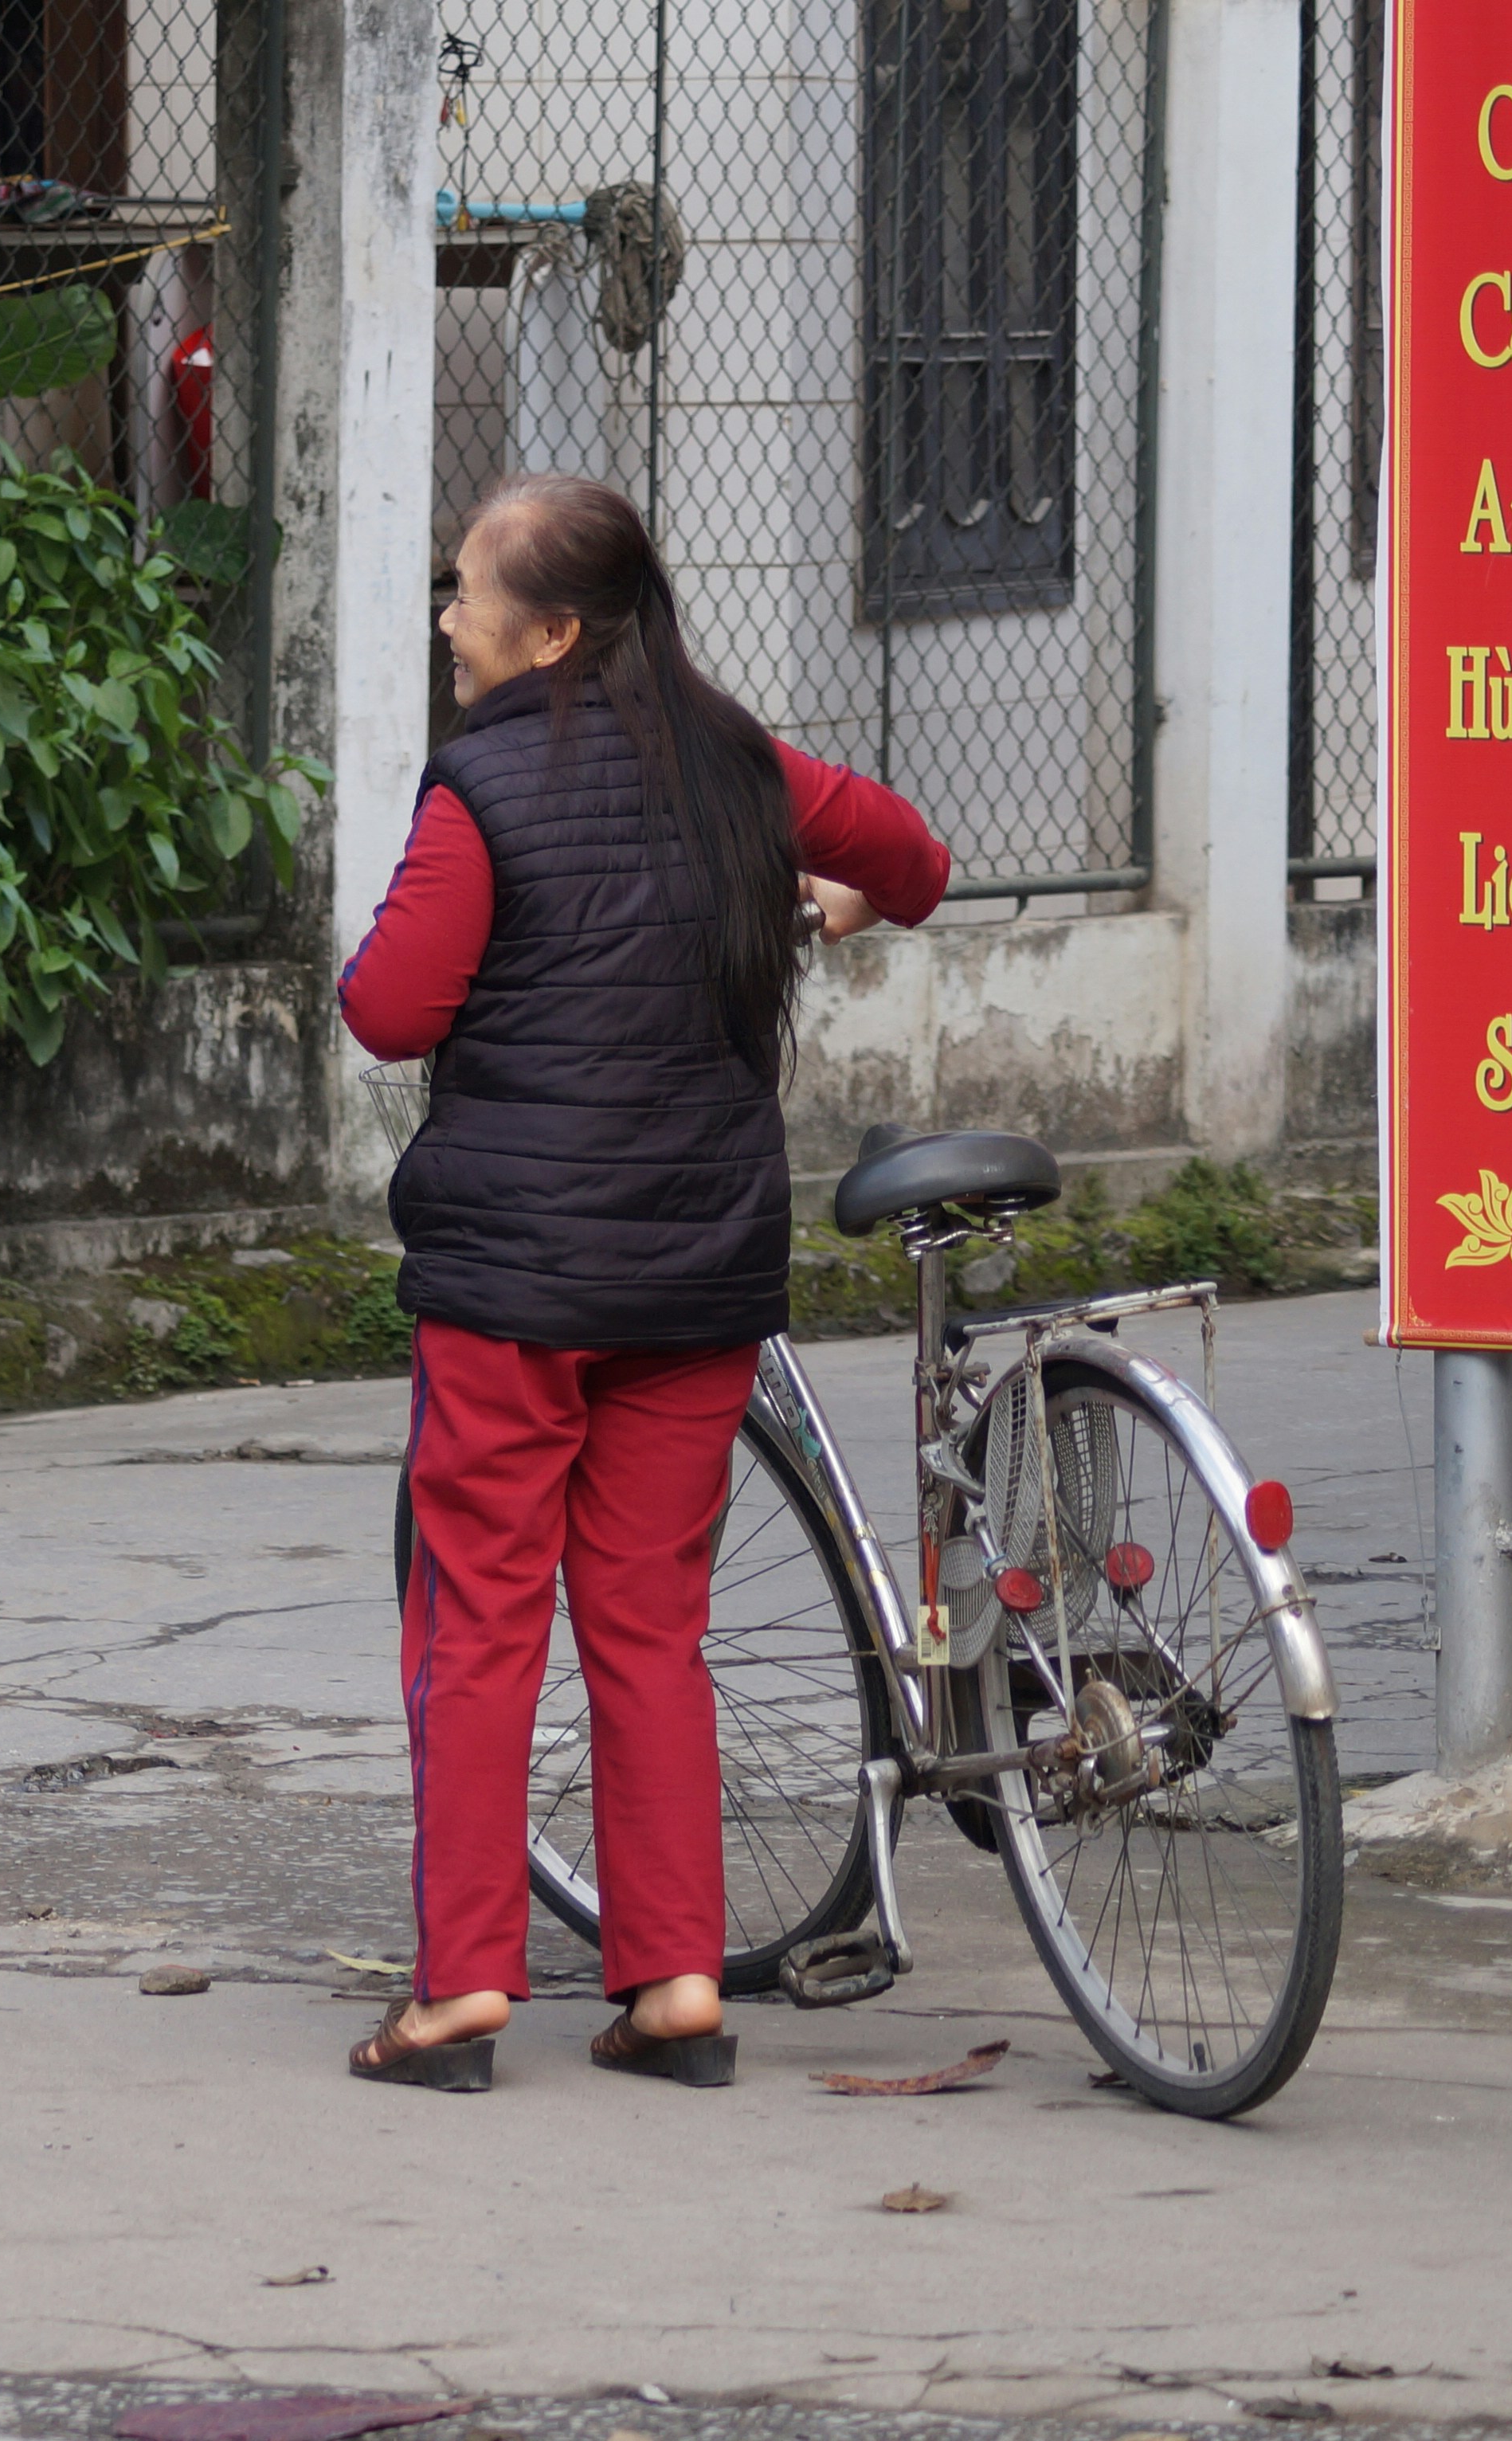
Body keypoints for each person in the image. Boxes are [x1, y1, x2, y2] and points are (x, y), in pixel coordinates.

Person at [335, 473, 950, 2093]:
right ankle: (674, 1982)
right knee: (649, 1623)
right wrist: (830, 888)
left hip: (515, 1286)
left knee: (479, 1621)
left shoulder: (481, 787)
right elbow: (915, 853)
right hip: (694, 1275)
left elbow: (391, 1009)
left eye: (464, 589)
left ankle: (462, 1986)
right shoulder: (738, 759)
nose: (446, 616)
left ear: (547, 630)